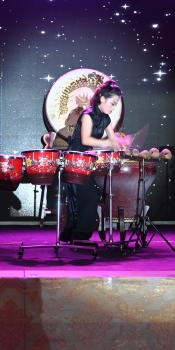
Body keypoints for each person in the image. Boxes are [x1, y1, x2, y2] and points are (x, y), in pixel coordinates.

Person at [60, 80, 127, 243]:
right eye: (112, 103)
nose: (113, 108)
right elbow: (86, 140)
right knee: (88, 197)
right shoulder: (88, 114)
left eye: (115, 105)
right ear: (102, 98)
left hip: (87, 161)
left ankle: (71, 234)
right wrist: (110, 143)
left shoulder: (105, 119)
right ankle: (80, 236)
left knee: (83, 198)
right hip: (76, 159)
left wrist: (122, 144)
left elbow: (113, 140)